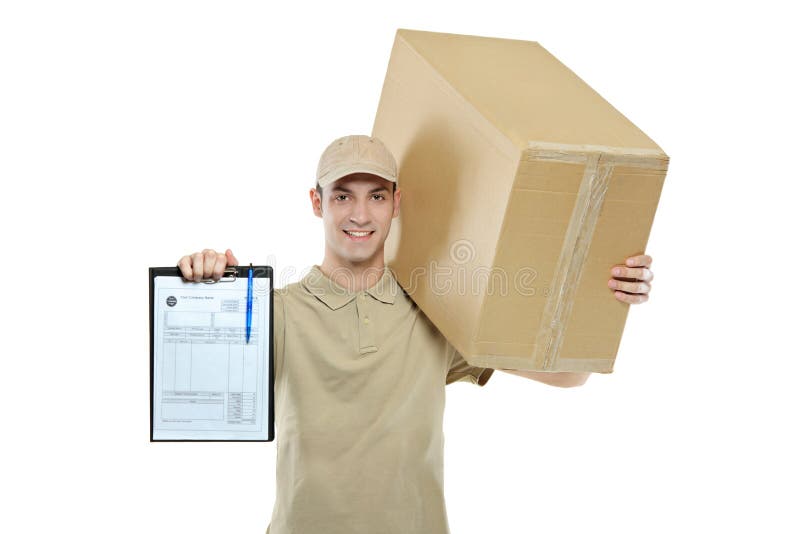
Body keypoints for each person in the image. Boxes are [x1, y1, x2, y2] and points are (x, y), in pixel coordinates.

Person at [177, 134, 655, 534]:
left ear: (396, 203)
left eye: (377, 195)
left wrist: (607, 294)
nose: (360, 214)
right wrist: (211, 299)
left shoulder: (437, 314)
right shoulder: (275, 312)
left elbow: (569, 376)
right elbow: (198, 392)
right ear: (316, 202)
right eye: (343, 195)